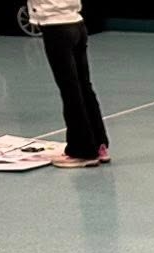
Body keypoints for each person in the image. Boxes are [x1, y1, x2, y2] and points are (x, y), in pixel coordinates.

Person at [29, 0, 110, 168]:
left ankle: (82, 150)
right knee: (83, 86)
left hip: (56, 27)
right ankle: (98, 144)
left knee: (70, 89)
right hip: (76, 24)